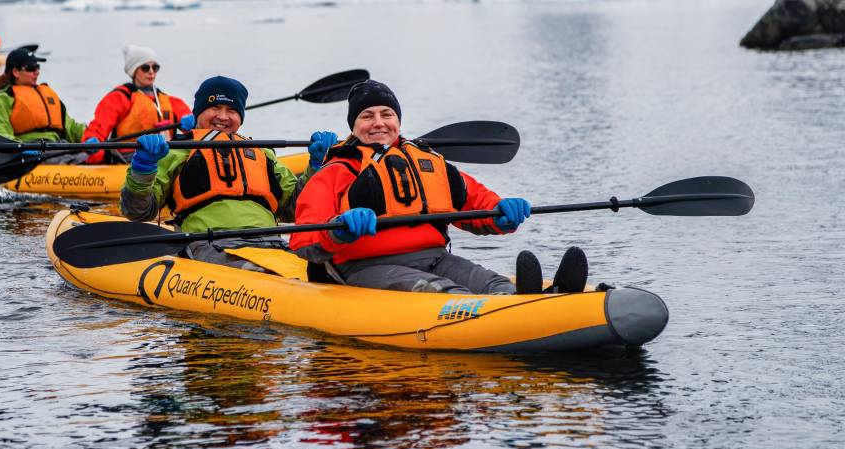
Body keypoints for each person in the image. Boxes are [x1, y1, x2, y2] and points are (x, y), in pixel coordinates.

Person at [289, 80, 589, 295]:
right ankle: (515, 317)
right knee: (451, 293)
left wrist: (501, 212)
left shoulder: (428, 161)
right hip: (363, 267)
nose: (378, 123)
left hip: (435, 257)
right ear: (354, 126)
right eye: (367, 116)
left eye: (387, 114)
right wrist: (338, 230)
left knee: (495, 286)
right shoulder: (337, 169)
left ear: (398, 121)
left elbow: (476, 201)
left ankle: (544, 299)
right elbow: (303, 241)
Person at [120, 75, 339, 271]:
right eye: (215, 107)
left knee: (322, 270)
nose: (223, 116)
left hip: (272, 245)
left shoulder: (262, 152)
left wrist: (317, 166)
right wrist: (143, 168)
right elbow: (138, 212)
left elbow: (296, 209)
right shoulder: (178, 151)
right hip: (212, 245)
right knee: (262, 273)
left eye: (232, 110)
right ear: (199, 111)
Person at [82, 45, 194, 164]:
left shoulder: (168, 100)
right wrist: (91, 140)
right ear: (134, 70)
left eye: (155, 67)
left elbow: (192, 122)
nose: (151, 72)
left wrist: (192, 123)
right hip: (129, 159)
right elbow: (99, 126)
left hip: (165, 156)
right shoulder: (120, 98)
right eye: (145, 67)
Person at [0, 48, 97, 164]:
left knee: (104, 155)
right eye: (31, 68)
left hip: (58, 147)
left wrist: (89, 135)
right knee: (72, 159)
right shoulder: (2, 99)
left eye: (37, 67)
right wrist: (20, 148)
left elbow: (71, 127)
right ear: (16, 72)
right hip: (30, 152)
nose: (37, 71)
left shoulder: (48, 95)